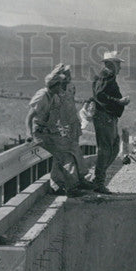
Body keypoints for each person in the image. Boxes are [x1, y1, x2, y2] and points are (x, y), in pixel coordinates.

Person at [25, 66, 83, 196]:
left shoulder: (54, 97)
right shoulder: (42, 97)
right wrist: (29, 134)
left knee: (64, 154)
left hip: (50, 132)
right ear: (55, 85)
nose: (63, 87)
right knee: (64, 156)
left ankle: (58, 186)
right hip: (40, 133)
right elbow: (29, 117)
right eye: (61, 85)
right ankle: (71, 188)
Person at [92, 51, 130, 193]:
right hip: (105, 116)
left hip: (107, 116)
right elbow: (100, 95)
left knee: (112, 147)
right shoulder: (107, 75)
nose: (120, 67)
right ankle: (98, 181)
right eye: (118, 64)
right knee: (107, 148)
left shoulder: (106, 75)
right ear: (111, 64)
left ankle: (98, 178)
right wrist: (118, 101)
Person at [58, 65, 89, 183]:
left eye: (69, 74)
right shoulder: (56, 90)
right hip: (62, 126)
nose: (68, 77)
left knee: (74, 152)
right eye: (66, 74)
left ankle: (77, 179)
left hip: (73, 123)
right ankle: (71, 181)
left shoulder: (71, 87)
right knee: (68, 154)